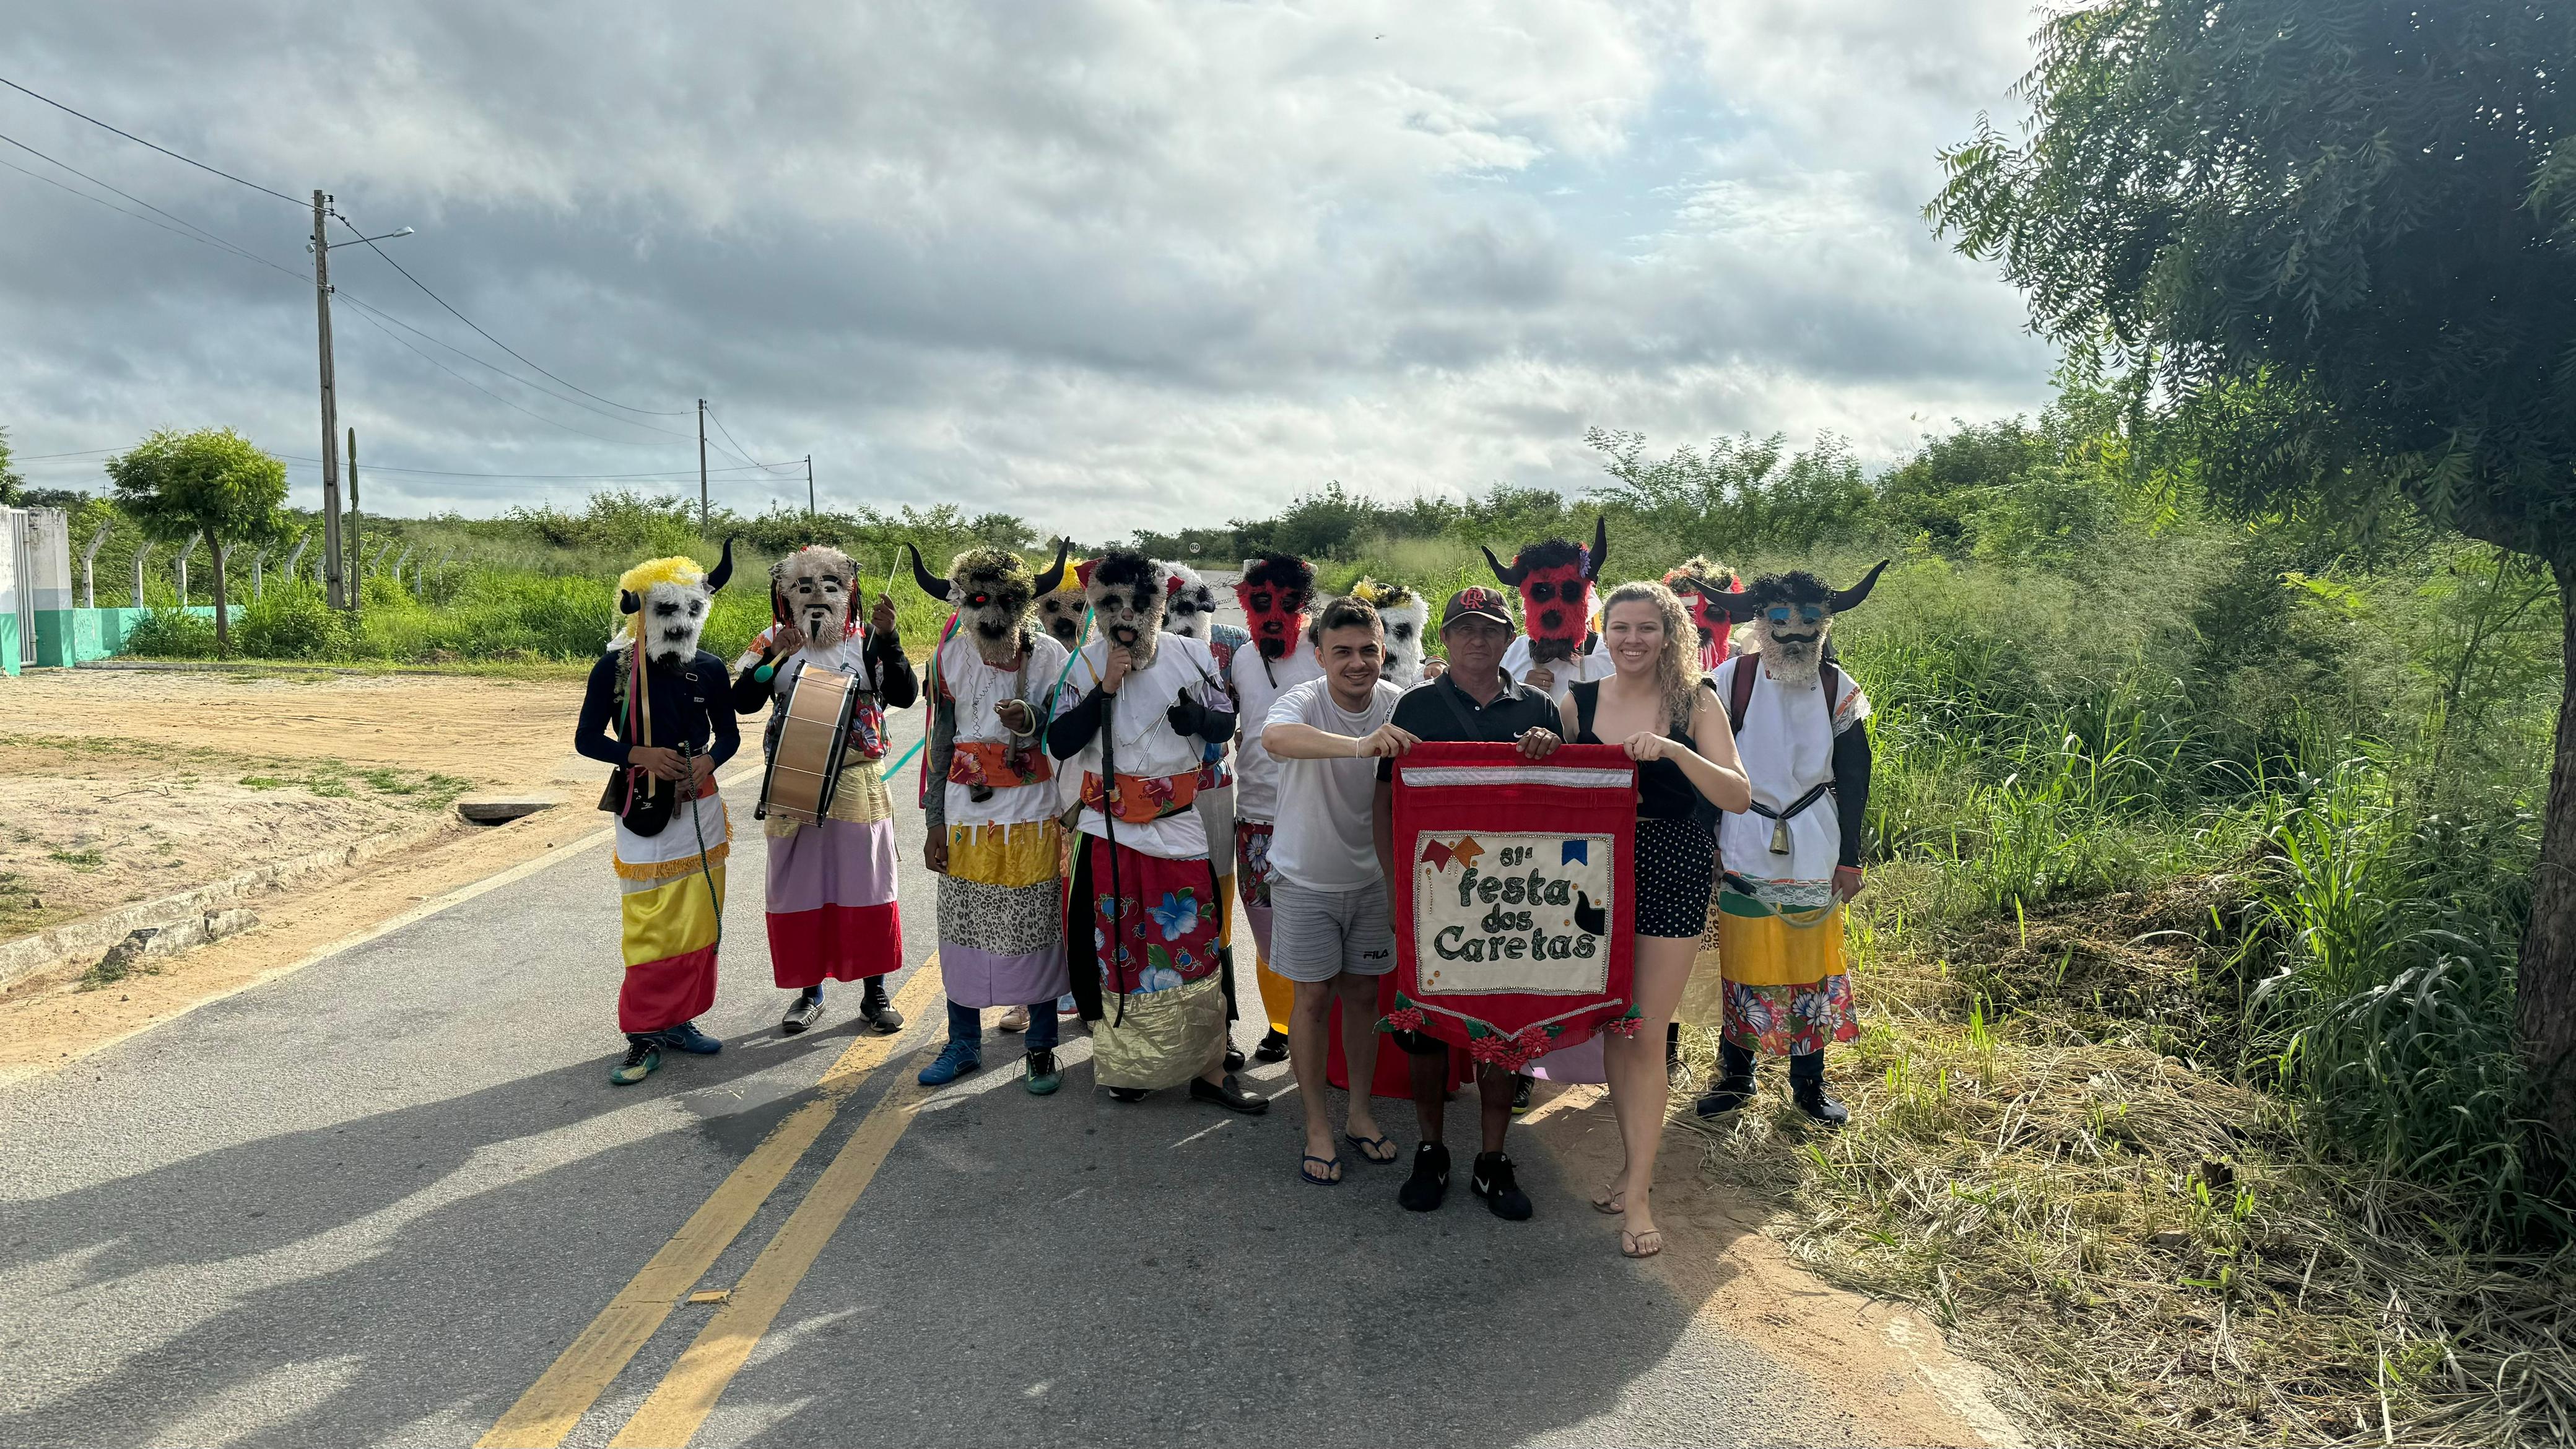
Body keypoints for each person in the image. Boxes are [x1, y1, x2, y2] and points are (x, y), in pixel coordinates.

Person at [1557, 579, 1751, 1259]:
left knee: (1646, 1030)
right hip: (1591, 872)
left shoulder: (1696, 701)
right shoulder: (1577, 702)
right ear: (1602, 634)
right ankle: (1630, 1165)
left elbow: (1738, 793)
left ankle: (1638, 1193)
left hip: (1673, 866)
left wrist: (1674, 751)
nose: (1632, 639)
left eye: (1646, 628)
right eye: (1620, 628)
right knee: (1617, 1025)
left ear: (1669, 636)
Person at [1046, 550, 1266, 1112]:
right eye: (1113, 603)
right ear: (1096, 607)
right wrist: (1104, 691)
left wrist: (1199, 720)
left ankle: (1210, 1070)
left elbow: (1225, 724)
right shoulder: (1085, 664)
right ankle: (1130, 1066)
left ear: (1160, 607)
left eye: (1140, 603)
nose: (1127, 615)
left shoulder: (1193, 655)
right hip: (1109, 835)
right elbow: (1060, 742)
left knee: (1194, 946)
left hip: (1178, 828)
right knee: (1118, 952)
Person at [1370, 586, 1565, 1219]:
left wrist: (1552, 746)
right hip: (1435, 888)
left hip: (1511, 896)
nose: (1477, 640)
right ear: (1446, 638)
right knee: (1426, 1025)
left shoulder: (1538, 706)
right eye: (1464, 629)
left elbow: (1562, 804)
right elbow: (1385, 799)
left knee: (1502, 1025)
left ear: (1508, 639)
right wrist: (1394, 885)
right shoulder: (1415, 705)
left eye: (1489, 629)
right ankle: (1431, 1149)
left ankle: (1492, 1157)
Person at [1694, 564, 1886, 1131]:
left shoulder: (1837, 687)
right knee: (1741, 958)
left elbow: (1855, 777)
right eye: (1780, 616)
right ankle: (1736, 1075)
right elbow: (1704, 766)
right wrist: (1709, 843)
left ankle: (1809, 1082)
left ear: (1825, 623)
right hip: (1742, 835)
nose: (1795, 630)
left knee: (1811, 963)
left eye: (1808, 618)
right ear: (1760, 621)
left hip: (1814, 840)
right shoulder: (1730, 680)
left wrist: (1850, 857)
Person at [1256, 596, 1410, 1185]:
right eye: (1341, 651)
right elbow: (1275, 739)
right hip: (1304, 879)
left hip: (1371, 880)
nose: (1356, 662)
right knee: (1314, 1001)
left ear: (1383, 652)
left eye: (1368, 650)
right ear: (1319, 656)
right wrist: (1359, 746)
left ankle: (1360, 1113)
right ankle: (1317, 1125)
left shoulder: (1398, 702)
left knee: (1366, 997)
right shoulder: (1303, 699)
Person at [575, 545, 742, 1086]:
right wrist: (637, 755)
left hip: (701, 808)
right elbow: (586, 739)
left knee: (697, 918)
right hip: (642, 809)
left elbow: (730, 736)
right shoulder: (615, 668)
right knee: (648, 921)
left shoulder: (710, 669)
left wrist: (710, 761)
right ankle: (643, 1033)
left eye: (692, 610)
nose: (680, 622)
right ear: (642, 612)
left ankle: (680, 1020)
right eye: (668, 610)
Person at [733, 544, 915, 1037]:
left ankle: (875, 993)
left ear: (848, 593)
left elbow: (905, 695)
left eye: (830, 586)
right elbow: (742, 702)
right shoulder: (771, 638)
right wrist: (773, 654)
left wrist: (891, 639)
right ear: (786, 594)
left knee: (867, 886)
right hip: (793, 780)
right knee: (799, 889)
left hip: (857, 779)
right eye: (805, 587)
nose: (817, 596)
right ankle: (809, 992)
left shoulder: (867, 640)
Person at [913, 542, 1074, 1092]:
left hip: (1033, 817)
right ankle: (963, 1043)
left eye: (1006, 600)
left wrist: (1032, 719)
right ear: (963, 603)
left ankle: (1041, 1046)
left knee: (1035, 929)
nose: (992, 613)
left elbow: (1069, 733)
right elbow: (941, 745)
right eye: (979, 600)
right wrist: (934, 822)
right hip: (966, 820)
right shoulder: (948, 657)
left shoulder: (1050, 656)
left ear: (1024, 604)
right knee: (963, 930)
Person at [1227, 551, 1321, 1064]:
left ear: (1302, 603)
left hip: (1316, 811)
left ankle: (1321, 1027)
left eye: (1286, 602)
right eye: (1261, 602)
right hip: (1256, 816)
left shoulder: (1322, 650)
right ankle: (1281, 1024)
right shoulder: (1241, 658)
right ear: (1247, 603)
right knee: (1266, 929)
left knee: (1319, 926)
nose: (1273, 614)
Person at [1160, 561, 1251, 1072]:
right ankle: (1152, 1027)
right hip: (1146, 796)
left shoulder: (1231, 645)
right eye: (1172, 605)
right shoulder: (1124, 647)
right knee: (1155, 907)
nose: (1184, 615)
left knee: (1215, 908)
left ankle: (1222, 1026)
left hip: (1211, 787)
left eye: (1194, 604)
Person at [1487, 516, 1614, 706]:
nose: (1554, 611)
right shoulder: (1514, 653)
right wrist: (1520, 689)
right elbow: (1493, 709)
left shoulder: (1609, 656)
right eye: (1541, 592)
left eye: (1569, 592)